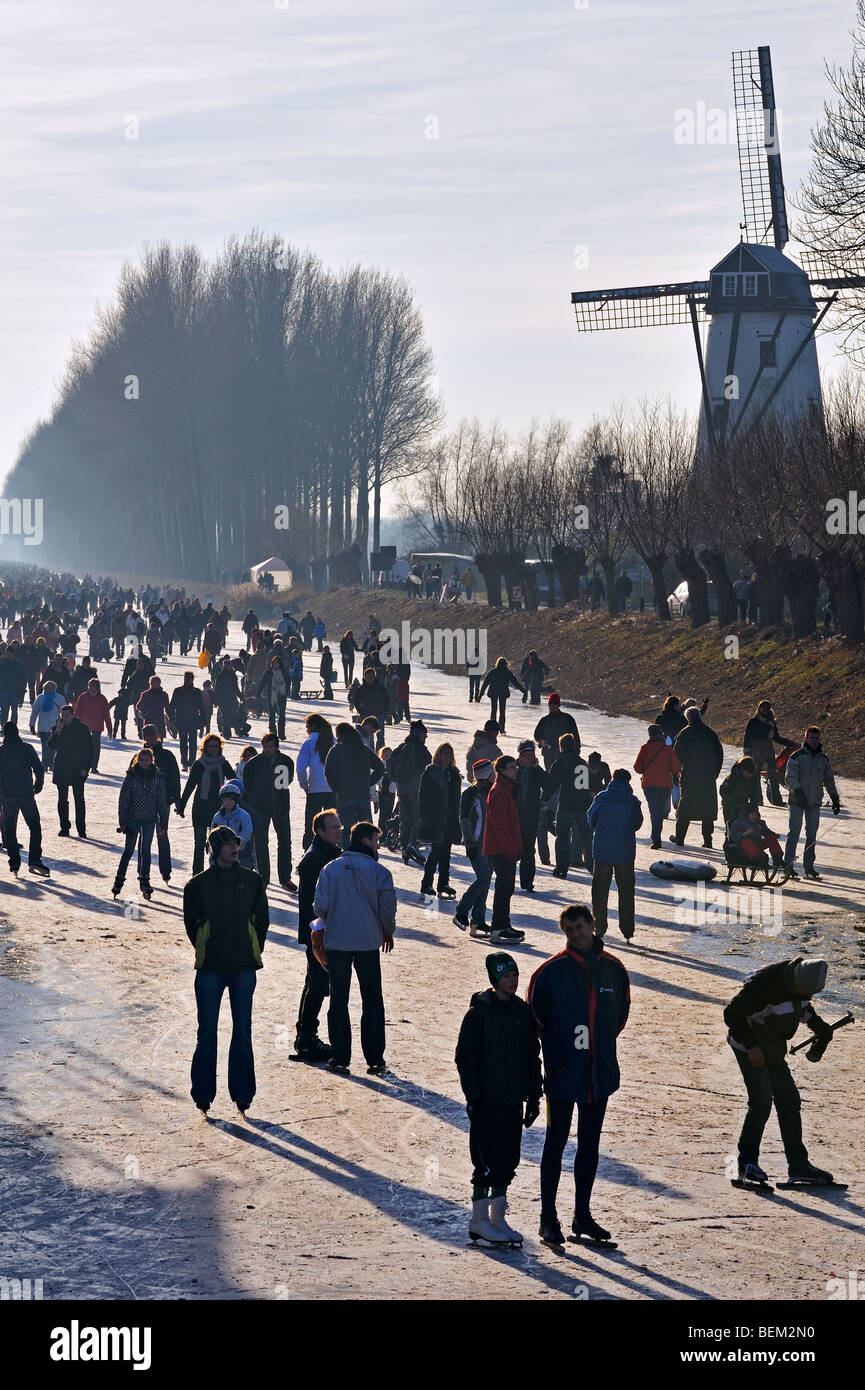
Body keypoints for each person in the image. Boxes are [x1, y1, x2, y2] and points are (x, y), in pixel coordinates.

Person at [528, 903, 630, 1246]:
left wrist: (595, 1048)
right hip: (562, 1072)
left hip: (597, 1074)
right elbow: (536, 1019)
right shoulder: (550, 972)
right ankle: (548, 1218)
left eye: (580, 928)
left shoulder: (614, 969)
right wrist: (563, 1052)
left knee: (589, 1144)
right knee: (555, 1142)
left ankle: (581, 1215)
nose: (575, 934)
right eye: (569, 930)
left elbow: (619, 1017)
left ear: (593, 925)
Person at [724, 957, 838, 1186]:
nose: (808, 997)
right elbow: (732, 1014)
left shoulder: (799, 984)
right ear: (797, 982)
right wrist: (752, 1046)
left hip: (772, 1045)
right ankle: (744, 1166)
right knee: (761, 1101)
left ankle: (798, 1166)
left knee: (789, 1100)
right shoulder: (764, 986)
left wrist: (819, 1026)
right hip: (748, 1045)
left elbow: (802, 1008)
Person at [455, 953, 542, 1246]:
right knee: (486, 1161)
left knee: (508, 1159)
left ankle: (497, 1217)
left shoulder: (522, 1012)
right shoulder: (480, 1012)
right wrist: (474, 1096)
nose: (513, 980)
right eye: (506, 976)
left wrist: (533, 1096)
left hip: (511, 1100)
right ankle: (478, 1219)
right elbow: (465, 1057)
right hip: (487, 1101)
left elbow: (532, 1057)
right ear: (495, 979)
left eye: (515, 974)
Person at [184, 825, 269, 1116]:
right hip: (210, 968)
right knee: (206, 1031)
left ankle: (243, 1094)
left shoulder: (252, 881)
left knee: (242, 1030)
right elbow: (192, 925)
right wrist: (207, 944)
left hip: (244, 966)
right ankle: (203, 1094)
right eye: (228, 845)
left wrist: (251, 947)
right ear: (215, 849)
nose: (235, 848)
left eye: (236, 843)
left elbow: (262, 921)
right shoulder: (197, 885)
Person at [313, 820, 396, 1075]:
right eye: (376, 840)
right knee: (372, 999)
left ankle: (339, 1057)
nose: (378, 845)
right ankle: (375, 1058)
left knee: (339, 999)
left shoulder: (330, 869)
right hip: (368, 943)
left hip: (337, 942)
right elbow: (387, 909)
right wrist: (387, 932)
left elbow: (320, 907)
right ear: (365, 841)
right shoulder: (380, 872)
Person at [294, 806, 342, 1061]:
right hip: (318, 934)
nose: (339, 831)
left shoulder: (328, 853)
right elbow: (313, 904)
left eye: (339, 826)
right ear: (320, 831)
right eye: (333, 827)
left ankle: (305, 1036)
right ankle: (306, 1039)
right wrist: (318, 933)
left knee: (315, 983)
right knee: (318, 984)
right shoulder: (315, 859)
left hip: (320, 932)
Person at [586, 769, 643, 941]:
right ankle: (627, 930)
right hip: (625, 853)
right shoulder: (632, 801)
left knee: (599, 892)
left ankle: (599, 927)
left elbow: (591, 819)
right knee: (626, 892)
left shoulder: (601, 797)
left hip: (602, 851)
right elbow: (637, 823)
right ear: (628, 782)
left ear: (612, 779)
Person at [240, 733, 297, 891]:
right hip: (260, 810)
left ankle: (285, 878)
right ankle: (263, 878)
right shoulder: (253, 764)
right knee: (261, 844)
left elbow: (285, 783)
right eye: (265, 746)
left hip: (281, 808)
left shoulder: (285, 761)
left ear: (276, 746)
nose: (267, 750)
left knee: (285, 843)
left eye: (270, 746)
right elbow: (247, 786)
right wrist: (254, 803)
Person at [112, 747, 169, 901]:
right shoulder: (131, 777)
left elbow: (162, 801)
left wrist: (164, 822)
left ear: (151, 761)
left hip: (150, 819)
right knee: (129, 850)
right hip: (133, 819)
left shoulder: (157, 778)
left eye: (147, 760)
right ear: (138, 760)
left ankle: (145, 878)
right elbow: (123, 799)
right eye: (142, 760)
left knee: (146, 850)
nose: (144, 763)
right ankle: (120, 878)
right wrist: (122, 821)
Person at [783, 727, 839, 881]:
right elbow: (790, 777)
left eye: (816, 738)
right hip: (797, 801)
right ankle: (788, 866)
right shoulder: (797, 756)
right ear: (805, 738)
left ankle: (809, 867)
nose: (814, 741)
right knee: (794, 833)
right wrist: (798, 791)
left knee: (812, 834)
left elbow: (829, 780)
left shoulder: (823, 758)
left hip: (814, 802)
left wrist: (834, 797)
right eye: (811, 738)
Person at [179, 734, 237, 876]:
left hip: (218, 809)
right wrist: (182, 804)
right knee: (199, 845)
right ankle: (197, 875)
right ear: (205, 748)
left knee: (218, 846)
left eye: (216, 746)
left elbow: (234, 781)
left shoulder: (223, 763)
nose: (214, 749)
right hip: (200, 808)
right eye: (211, 746)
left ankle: (218, 873)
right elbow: (190, 784)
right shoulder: (199, 764)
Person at [482, 754, 525, 945]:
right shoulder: (499, 791)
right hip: (500, 849)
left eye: (515, 767)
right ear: (501, 770)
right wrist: (510, 850)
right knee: (503, 888)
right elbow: (500, 827)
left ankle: (503, 924)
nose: (515, 770)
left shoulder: (506, 789)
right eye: (511, 767)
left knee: (506, 888)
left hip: (504, 848)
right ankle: (498, 928)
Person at [323, 723, 385, 850]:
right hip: (362, 795)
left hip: (345, 795)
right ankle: (369, 855)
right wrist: (367, 782)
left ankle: (344, 857)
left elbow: (328, 772)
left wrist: (337, 789)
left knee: (344, 830)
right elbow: (380, 768)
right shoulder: (364, 749)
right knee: (367, 830)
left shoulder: (336, 750)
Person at [0, 722, 49, 877]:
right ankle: (34, 859)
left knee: (9, 829)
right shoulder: (27, 748)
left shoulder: (1, 751)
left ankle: (14, 862)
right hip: (26, 793)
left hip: (8, 796)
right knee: (34, 827)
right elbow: (39, 768)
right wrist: (38, 784)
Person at [671, 706, 723, 848]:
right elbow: (719, 754)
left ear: (687, 718)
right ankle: (707, 840)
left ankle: (680, 838)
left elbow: (677, 756)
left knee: (685, 807)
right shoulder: (710, 733)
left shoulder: (684, 733)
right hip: (707, 776)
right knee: (707, 807)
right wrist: (715, 772)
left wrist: (676, 773)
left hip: (689, 776)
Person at [454, 760, 495, 938]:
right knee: (484, 878)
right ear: (486, 774)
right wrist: (470, 843)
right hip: (477, 843)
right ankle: (461, 911)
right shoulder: (471, 793)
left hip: (491, 843)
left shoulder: (493, 792)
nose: (495, 775)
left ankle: (478, 921)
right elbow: (464, 819)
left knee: (485, 881)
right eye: (492, 772)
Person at [417, 742, 461, 899]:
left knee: (446, 854)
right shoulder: (431, 772)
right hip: (436, 817)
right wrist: (427, 815)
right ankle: (426, 884)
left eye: (450, 753)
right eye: (445, 753)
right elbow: (423, 796)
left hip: (450, 817)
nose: (448, 756)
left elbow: (457, 798)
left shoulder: (454, 773)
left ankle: (443, 883)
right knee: (435, 852)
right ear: (439, 755)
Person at [138, 724, 181, 882]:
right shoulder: (140, 756)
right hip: (142, 804)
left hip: (163, 802)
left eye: (152, 734)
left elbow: (175, 779)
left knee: (162, 835)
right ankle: (143, 871)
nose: (149, 737)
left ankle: (166, 870)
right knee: (144, 838)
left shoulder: (166, 755)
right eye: (146, 734)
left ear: (157, 735)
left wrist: (177, 800)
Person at [547, 733, 592, 879]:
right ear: (573, 746)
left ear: (561, 746)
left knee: (562, 838)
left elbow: (551, 784)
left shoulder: (559, 762)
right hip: (584, 805)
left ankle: (561, 868)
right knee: (587, 836)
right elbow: (588, 785)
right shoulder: (583, 763)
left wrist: (544, 799)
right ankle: (593, 866)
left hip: (566, 805)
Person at [387, 719, 431, 863]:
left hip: (402, 789)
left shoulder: (401, 747)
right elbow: (429, 767)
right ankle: (412, 844)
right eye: (424, 734)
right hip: (416, 789)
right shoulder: (419, 749)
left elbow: (390, 766)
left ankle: (405, 848)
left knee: (405, 820)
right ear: (417, 733)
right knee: (417, 818)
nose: (425, 737)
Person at [47, 704, 92, 838]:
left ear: (73, 714)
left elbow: (89, 750)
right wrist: (58, 731)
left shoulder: (82, 728)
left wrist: (85, 768)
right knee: (62, 799)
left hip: (77, 768)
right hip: (62, 767)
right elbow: (51, 745)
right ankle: (64, 827)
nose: (64, 718)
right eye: (62, 715)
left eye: (67, 715)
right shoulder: (59, 727)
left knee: (79, 799)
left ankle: (81, 829)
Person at [634, 724, 681, 849]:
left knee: (654, 811)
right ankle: (656, 836)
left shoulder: (645, 748)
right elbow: (676, 768)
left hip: (649, 784)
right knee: (659, 811)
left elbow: (637, 768)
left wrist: (647, 769)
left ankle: (656, 839)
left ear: (649, 734)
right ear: (661, 734)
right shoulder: (667, 749)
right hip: (665, 784)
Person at [743, 701, 794, 807]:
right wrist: (746, 753)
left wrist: (789, 743)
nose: (765, 709)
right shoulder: (753, 721)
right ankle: (757, 800)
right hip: (755, 751)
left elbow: (776, 738)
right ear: (759, 708)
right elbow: (747, 737)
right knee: (755, 776)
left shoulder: (771, 723)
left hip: (768, 752)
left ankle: (777, 800)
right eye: (763, 707)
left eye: (767, 707)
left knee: (773, 776)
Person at [515, 740, 549, 891]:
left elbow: (548, 785)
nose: (529, 758)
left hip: (530, 816)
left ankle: (527, 882)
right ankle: (506, 880)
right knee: (512, 850)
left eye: (532, 755)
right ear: (520, 756)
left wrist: (538, 768)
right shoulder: (513, 768)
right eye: (527, 755)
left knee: (529, 850)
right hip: (514, 816)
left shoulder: (536, 770)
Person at [296, 713, 334, 849]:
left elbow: (300, 768)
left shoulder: (309, 743)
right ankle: (332, 850)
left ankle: (309, 850)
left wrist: (304, 785)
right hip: (333, 790)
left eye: (307, 726)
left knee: (311, 825)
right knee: (332, 824)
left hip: (315, 790)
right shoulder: (334, 741)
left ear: (312, 726)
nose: (306, 729)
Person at [73, 677, 113, 773]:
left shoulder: (102, 699)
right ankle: (82, 764)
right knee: (82, 746)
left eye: (93, 686)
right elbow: (77, 711)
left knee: (95, 747)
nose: (91, 687)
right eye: (90, 685)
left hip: (97, 726)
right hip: (83, 726)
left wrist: (110, 729)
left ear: (97, 687)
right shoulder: (83, 697)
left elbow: (106, 715)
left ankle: (94, 766)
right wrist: (74, 724)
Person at [211, 781, 254, 869]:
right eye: (225, 799)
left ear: (236, 800)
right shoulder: (218, 817)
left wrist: (235, 843)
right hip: (223, 854)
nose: (227, 802)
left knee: (243, 878)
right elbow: (213, 832)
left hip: (241, 852)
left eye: (231, 799)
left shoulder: (243, 815)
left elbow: (247, 832)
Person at [168, 672, 206, 772]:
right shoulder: (178, 691)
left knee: (193, 743)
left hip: (193, 720)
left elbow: (201, 707)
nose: (187, 680)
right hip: (181, 720)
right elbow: (172, 706)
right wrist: (171, 719)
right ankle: (184, 763)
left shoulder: (197, 692)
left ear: (192, 679)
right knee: (183, 742)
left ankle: (192, 762)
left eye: (189, 678)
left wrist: (204, 721)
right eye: (186, 678)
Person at [478, 657, 525, 734]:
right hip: (503, 693)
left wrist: (480, 695)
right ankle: (502, 729)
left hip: (493, 692)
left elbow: (485, 683)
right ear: (506, 664)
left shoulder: (493, 671)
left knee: (494, 710)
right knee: (502, 711)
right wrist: (523, 691)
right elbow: (515, 682)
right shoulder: (507, 672)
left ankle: (492, 729)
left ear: (497, 663)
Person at [534, 693, 580, 770]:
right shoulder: (544, 720)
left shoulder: (568, 719)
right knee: (550, 778)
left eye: (555, 703)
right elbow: (536, 735)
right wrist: (541, 741)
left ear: (559, 705)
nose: (552, 706)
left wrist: (576, 753)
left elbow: (576, 737)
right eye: (550, 703)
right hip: (548, 755)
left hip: (565, 756)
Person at [29, 680, 64, 771]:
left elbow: (64, 712)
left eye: (51, 688)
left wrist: (63, 725)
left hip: (55, 727)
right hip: (43, 727)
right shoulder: (40, 698)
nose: (49, 689)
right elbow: (35, 712)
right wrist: (32, 725)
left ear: (54, 688)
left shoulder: (60, 698)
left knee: (54, 746)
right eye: (47, 688)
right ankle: (44, 764)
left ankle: (52, 763)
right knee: (45, 746)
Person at [258, 654, 288, 740]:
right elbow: (262, 683)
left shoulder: (284, 672)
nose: (276, 664)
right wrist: (258, 694)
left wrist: (286, 691)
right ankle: (273, 732)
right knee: (272, 714)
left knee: (282, 714)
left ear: (280, 664)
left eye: (277, 663)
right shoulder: (269, 672)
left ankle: (281, 733)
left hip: (282, 695)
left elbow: (288, 682)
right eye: (274, 663)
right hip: (271, 695)